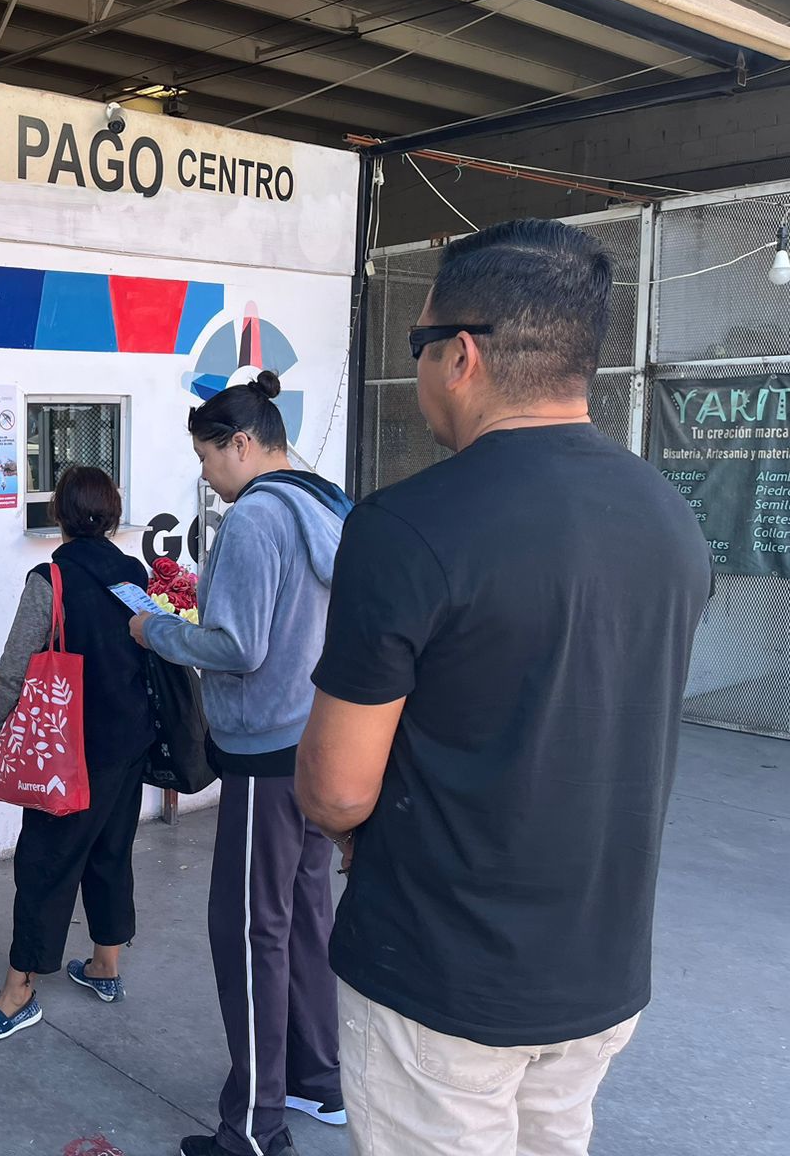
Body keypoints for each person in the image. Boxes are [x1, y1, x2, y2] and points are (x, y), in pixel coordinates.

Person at [298, 219, 712, 1156]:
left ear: (461, 355)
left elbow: (334, 789)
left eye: (419, 347)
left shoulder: (408, 528)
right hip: (600, 974)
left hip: (441, 980)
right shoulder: (670, 517)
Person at [129, 373, 352, 1156]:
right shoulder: (324, 501)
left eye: (206, 456)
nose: (204, 473)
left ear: (242, 443)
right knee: (306, 919)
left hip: (266, 753)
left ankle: (255, 1126)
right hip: (322, 739)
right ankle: (317, 1080)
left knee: (250, 930)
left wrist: (156, 631)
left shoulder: (256, 519)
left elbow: (239, 647)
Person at [0, 466, 157, 1043]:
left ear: (60, 515)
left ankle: (18, 993)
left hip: (67, 749)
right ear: (113, 514)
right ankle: (105, 965)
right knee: (111, 849)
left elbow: (15, 663)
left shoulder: (51, 578)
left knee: (45, 865)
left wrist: (7, 726)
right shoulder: (131, 572)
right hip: (128, 740)